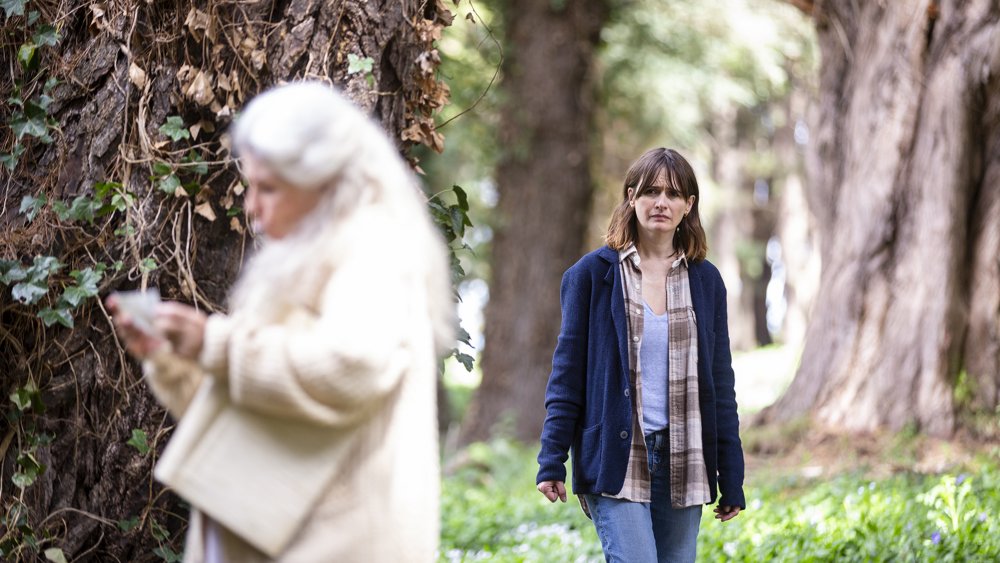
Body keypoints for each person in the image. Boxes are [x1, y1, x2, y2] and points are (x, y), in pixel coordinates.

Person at [107, 82, 454, 562]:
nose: (252, 206)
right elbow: (254, 403)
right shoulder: (305, 254)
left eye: (268, 188)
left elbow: (350, 367)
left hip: (339, 540)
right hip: (285, 528)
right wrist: (170, 357)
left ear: (323, 179)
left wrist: (213, 343)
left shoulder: (374, 249)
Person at [536, 147, 745, 562]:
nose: (661, 202)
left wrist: (731, 474)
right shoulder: (592, 276)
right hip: (617, 458)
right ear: (632, 197)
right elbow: (568, 374)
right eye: (650, 191)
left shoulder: (706, 281)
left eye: (673, 194)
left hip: (685, 458)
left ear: (689, 205)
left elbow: (720, 385)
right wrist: (551, 459)